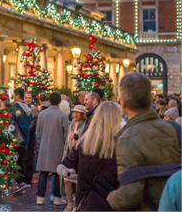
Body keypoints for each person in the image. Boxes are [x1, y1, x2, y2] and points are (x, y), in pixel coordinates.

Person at [107, 73, 182, 211]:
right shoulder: (174, 129)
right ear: (151, 99)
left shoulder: (127, 139)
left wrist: (112, 198)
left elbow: (130, 195)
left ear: (122, 103)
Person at [59, 102, 122, 212]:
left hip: (87, 203)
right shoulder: (124, 143)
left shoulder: (84, 143)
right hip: (114, 204)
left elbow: (62, 168)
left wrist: (78, 175)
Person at [36, 92, 69, 206]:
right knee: (57, 173)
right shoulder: (63, 116)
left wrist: (41, 142)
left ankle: (40, 197)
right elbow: (66, 134)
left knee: (43, 173)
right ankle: (56, 196)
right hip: (58, 147)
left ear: (49, 100)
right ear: (60, 101)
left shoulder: (42, 114)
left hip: (44, 146)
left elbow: (38, 132)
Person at [60, 104, 87, 211]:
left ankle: (77, 204)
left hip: (79, 157)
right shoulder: (71, 125)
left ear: (82, 114)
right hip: (70, 155)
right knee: (67, 180)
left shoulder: (85, 125)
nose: (75, 114)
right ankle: (69, 203)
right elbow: (66, 142)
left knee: (78, 181)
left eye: (78, 112)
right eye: (74, 112)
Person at [10, 88, 33, 194]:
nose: (13, 97)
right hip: (26, 137)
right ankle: (22, 183)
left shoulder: (16, 107)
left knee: (16, 161)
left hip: (17, 138)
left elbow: (11, 120)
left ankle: (20, 183)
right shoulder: (28, 108)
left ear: (17, 95)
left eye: (14, 95)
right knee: (22, 160)